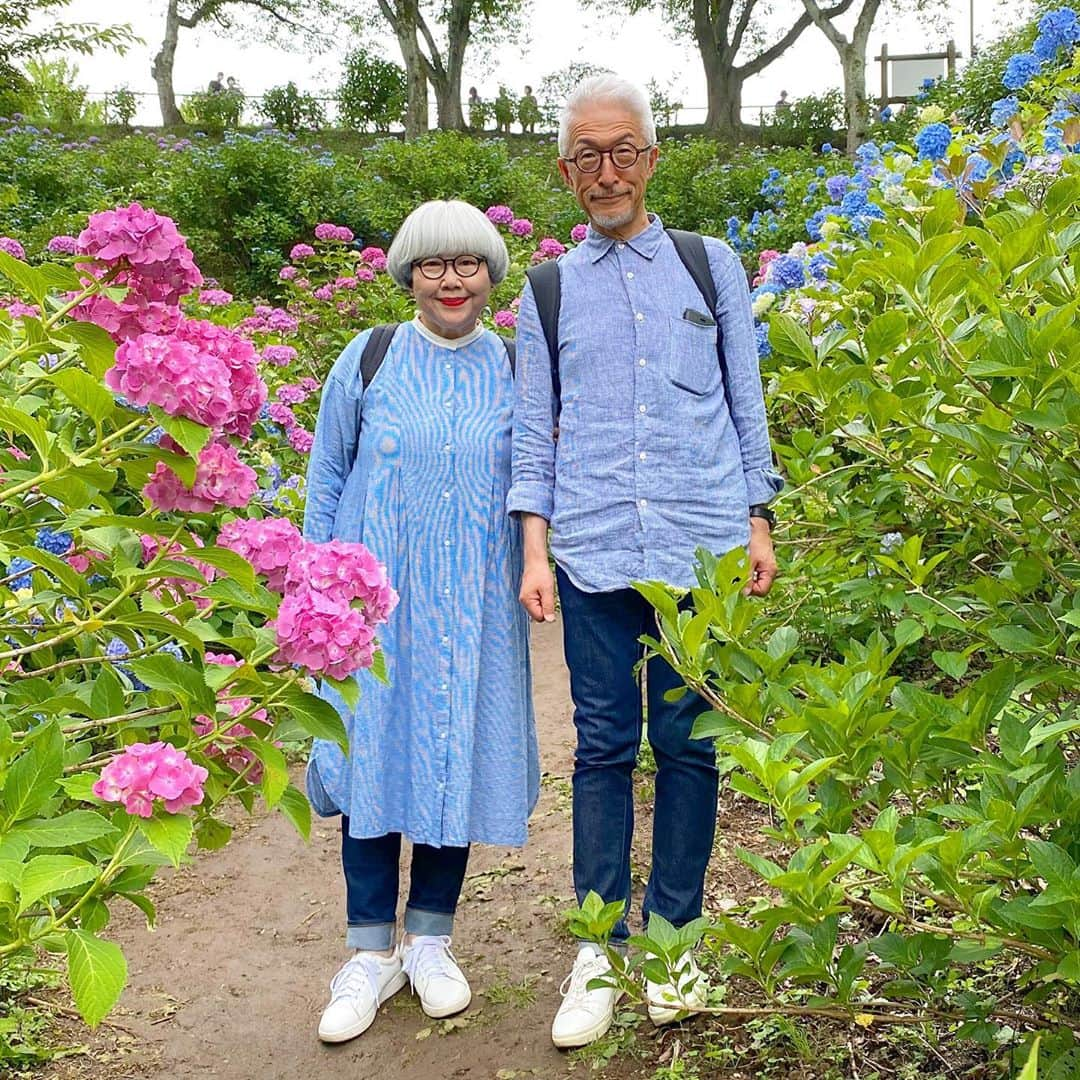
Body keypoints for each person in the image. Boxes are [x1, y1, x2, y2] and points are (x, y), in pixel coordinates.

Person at [508, 75, 781, 1049]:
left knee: (690, 747)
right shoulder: (544, 291)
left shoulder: (710, 268)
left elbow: (746, 400)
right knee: (604, 747)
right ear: (565, 171)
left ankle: (675, 937)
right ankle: (597, 945)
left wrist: (759, 520)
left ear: (652, 158)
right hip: (587, 554)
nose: (607, 172)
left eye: (624, 151)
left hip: (699, 550)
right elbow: (533, 432)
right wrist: (533, 549)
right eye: (588, 156)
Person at [305, 199, 539, 1045]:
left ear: (490, 277)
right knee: (370, 759)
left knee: (453, 757)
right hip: (368, 615)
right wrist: (317, 596)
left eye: (468, 264)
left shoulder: (515, 367)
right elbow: (326, 475)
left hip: (473, 611)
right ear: (408, 275)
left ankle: (432, 939)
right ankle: (368, 954)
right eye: (433, 265)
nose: (451, 280)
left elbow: (536, 481)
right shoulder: (367, 358)